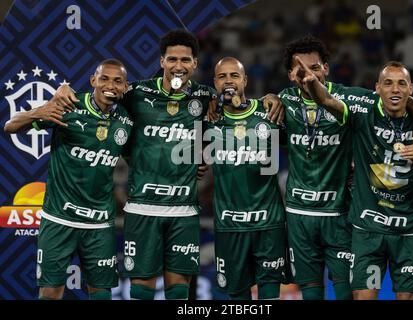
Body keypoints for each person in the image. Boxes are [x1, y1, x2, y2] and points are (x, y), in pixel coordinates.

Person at [51, 29, 284, 300]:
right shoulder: (136, 93)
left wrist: (271, 97)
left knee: (178, 291)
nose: (178, 66)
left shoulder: (206, 97)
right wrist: (66, 89)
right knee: (141, 290)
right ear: (162, 61)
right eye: (172, 59)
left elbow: (238, 108)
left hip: (183, 211)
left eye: (185, 60)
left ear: (195, 64)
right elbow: (102, 94)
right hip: (142, 207)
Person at [279, 36, 413, 300]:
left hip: (341, 213)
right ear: (290, 74)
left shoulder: (351, 99)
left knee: (347, 294)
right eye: (301, 69)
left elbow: (391, 96)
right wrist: (270, 96)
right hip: (299, 214)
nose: (309, 75)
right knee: (310, 294)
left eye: (315, 68)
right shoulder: (283, 102)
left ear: (326, 68)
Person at [4, 59, 132, 300]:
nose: (110, 85)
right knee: (51, 293)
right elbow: (10, 126)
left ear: (125, 87)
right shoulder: (68, 107)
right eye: (104, 78)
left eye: (117, 81)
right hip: (59, 219)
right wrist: (39, 111)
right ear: (93, 80)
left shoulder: (127, 120)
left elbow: (136, 157)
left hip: (99, 223)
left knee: (102, 294)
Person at [206, 57, 287, 299]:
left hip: (269, 223)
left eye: (234, 75)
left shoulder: (269, 113)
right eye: (222, 76)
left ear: (245, 80)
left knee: (270, 295)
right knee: (238, 296)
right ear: (214, 83)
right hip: (230, 225)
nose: (228, 80)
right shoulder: (208, 121)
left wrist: (274, 96)